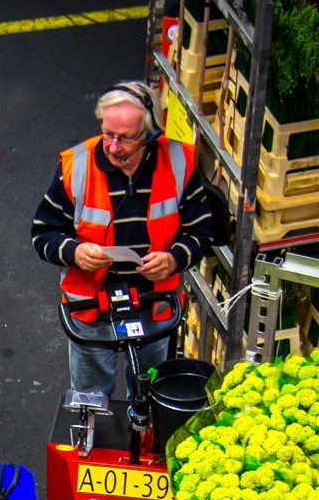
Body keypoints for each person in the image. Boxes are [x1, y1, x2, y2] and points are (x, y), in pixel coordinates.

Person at [31, 81, 212, 408]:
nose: (113, 147)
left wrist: (173, 259)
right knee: (89, 404)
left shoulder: (178, 162)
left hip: (153, 305)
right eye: (108, 134)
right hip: (90, 308)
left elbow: (201, 231)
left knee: (148, 402)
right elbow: (43, 233)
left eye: (125, 138)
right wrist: (75, 252)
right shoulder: (77, 166)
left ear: (151, 135)